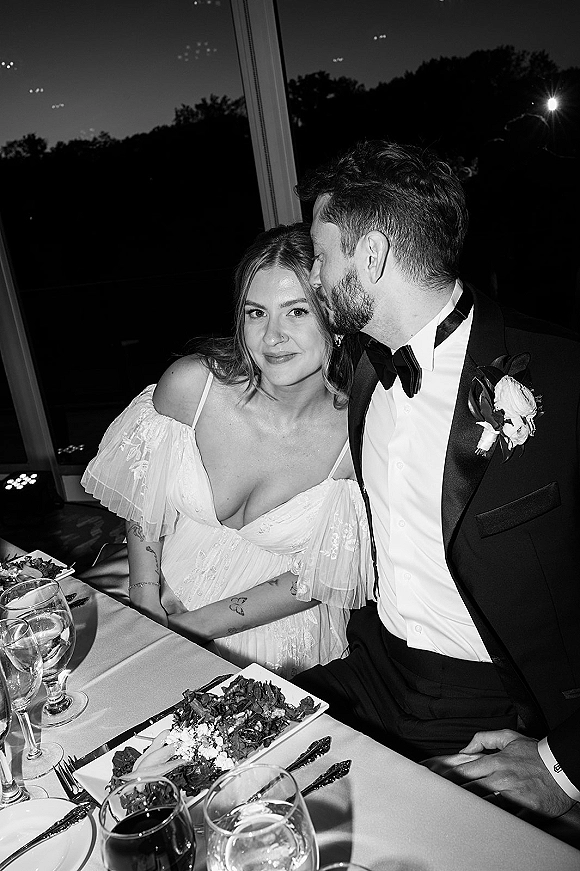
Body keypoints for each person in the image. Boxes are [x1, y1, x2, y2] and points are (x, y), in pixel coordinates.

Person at [292, 140, 580, 820]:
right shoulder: (366, 373)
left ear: (370, 258)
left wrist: (562, 766)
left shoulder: (567, 382)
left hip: (500, 705)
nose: (312, 271)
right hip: (375, 670)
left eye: (319, 251)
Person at [81, 222, 371, 679]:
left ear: (335, 316)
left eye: (296, 311)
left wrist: (188, 629)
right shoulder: (191, 388)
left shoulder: (361, 435)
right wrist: (146, 605)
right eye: (256, 313)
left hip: (277, 637)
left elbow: (320, 576)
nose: (271, 337)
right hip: (155, 590)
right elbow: (145, 494)